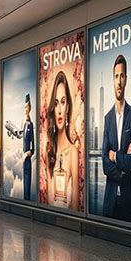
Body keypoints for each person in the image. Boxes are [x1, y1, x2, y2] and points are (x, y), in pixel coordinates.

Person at [101, 55, 131, 222]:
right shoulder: (107, 119)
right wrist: (122, 170)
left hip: (128, 200)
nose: (119, 81)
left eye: (122, 76)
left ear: (126, 80)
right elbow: (104, 163)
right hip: (109, 201)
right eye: (116, 76)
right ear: (113, 80)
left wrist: (115, 156)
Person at [46, 70, 79, 210]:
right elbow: (48, 203)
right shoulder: (49, 150)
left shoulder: (73, 152)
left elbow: (75, 206)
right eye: (56, 103)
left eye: (63, 102)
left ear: (68, 107)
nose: (59, 109)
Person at [21, 94, 35, 201]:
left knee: (27, 191)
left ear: (30, 109)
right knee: (24, 189)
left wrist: (26, 154)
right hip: (23, 163)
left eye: (27, 107)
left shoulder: (30, 125)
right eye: (25, 107)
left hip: (28, 162)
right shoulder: (23, 125)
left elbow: (33, 148)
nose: (26, 110)